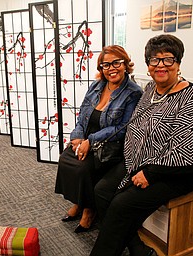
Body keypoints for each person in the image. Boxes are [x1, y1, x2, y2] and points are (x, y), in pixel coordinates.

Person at [90, 34, 193, 256]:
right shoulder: (151, 89)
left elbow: (188, 151)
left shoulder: (191, 97)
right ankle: (137, 248)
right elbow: (136, 126)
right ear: (148, 65)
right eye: (154, 60)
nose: (161, 65)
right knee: (102, 190)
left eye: (168, 59)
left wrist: (149, 173)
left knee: (121, 205)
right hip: (142, 160)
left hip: (176, 172)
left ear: (178, 63)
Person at [55, 45, 143, 233]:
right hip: (87, 140)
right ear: (101, 68)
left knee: (84, 167)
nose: (111, 68)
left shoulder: (133, 92)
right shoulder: (96, 86)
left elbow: (123, 128)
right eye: (106, 65)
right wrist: (78, 136)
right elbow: (82, 115)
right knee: (66, 159)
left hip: (110, 145)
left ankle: (89, 210)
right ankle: (79, 202)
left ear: (126, 64)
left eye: (116, 63)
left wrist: (90, 141)